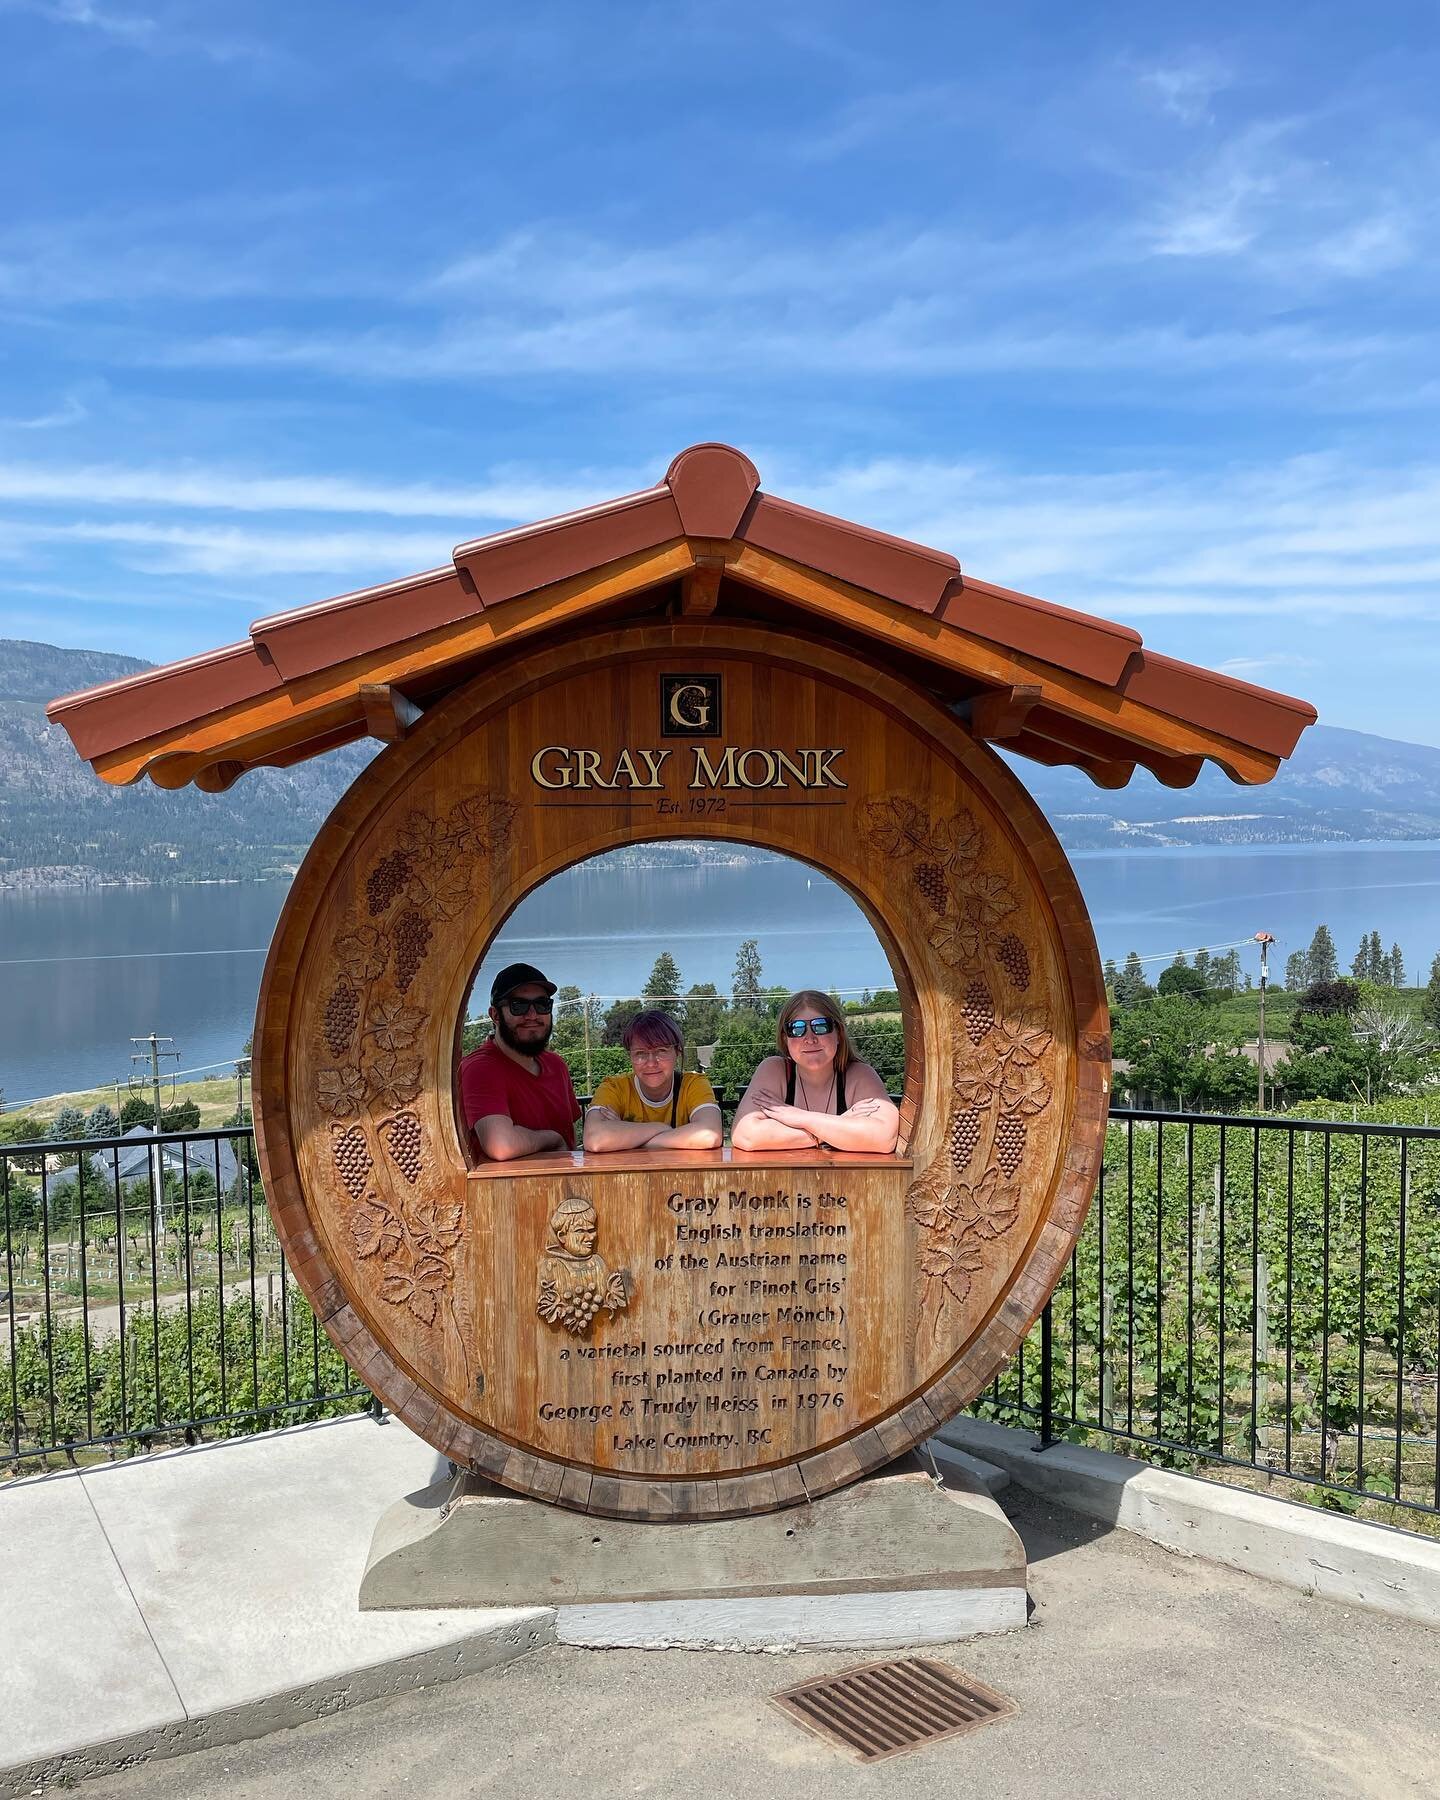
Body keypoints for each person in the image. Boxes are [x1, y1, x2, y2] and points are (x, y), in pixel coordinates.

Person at [730, 989, 899, 1153]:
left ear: (839, 1033)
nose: (809, 1039)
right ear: (785, 1038)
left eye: (820, 1026)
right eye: (796, 1029)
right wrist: (837, 1126)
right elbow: (745, 1135)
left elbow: (884, 1138)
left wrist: (800, 1117)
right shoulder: (774, 1070)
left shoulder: (859, 1074)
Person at [459, 962, 581, 1162]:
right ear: (495, 1015)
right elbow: (500, 1145)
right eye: (519, 1006)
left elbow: (571, 1138)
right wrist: (553, 1139)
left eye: (542, 1004)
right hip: (509, 1192)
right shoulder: (480, 1068)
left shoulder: (556, 1065)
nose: (532, 1015)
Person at [583, 1010, 723, 1152]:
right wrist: (661, 1128)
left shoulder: (693, 1084)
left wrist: (626, 1136)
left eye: (661, 1051)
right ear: (630, 1056)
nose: (651, 1063)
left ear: (678, 1051)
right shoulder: (614, 1087)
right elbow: (595, 1139)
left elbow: (709, 1134)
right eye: (640, 1053)